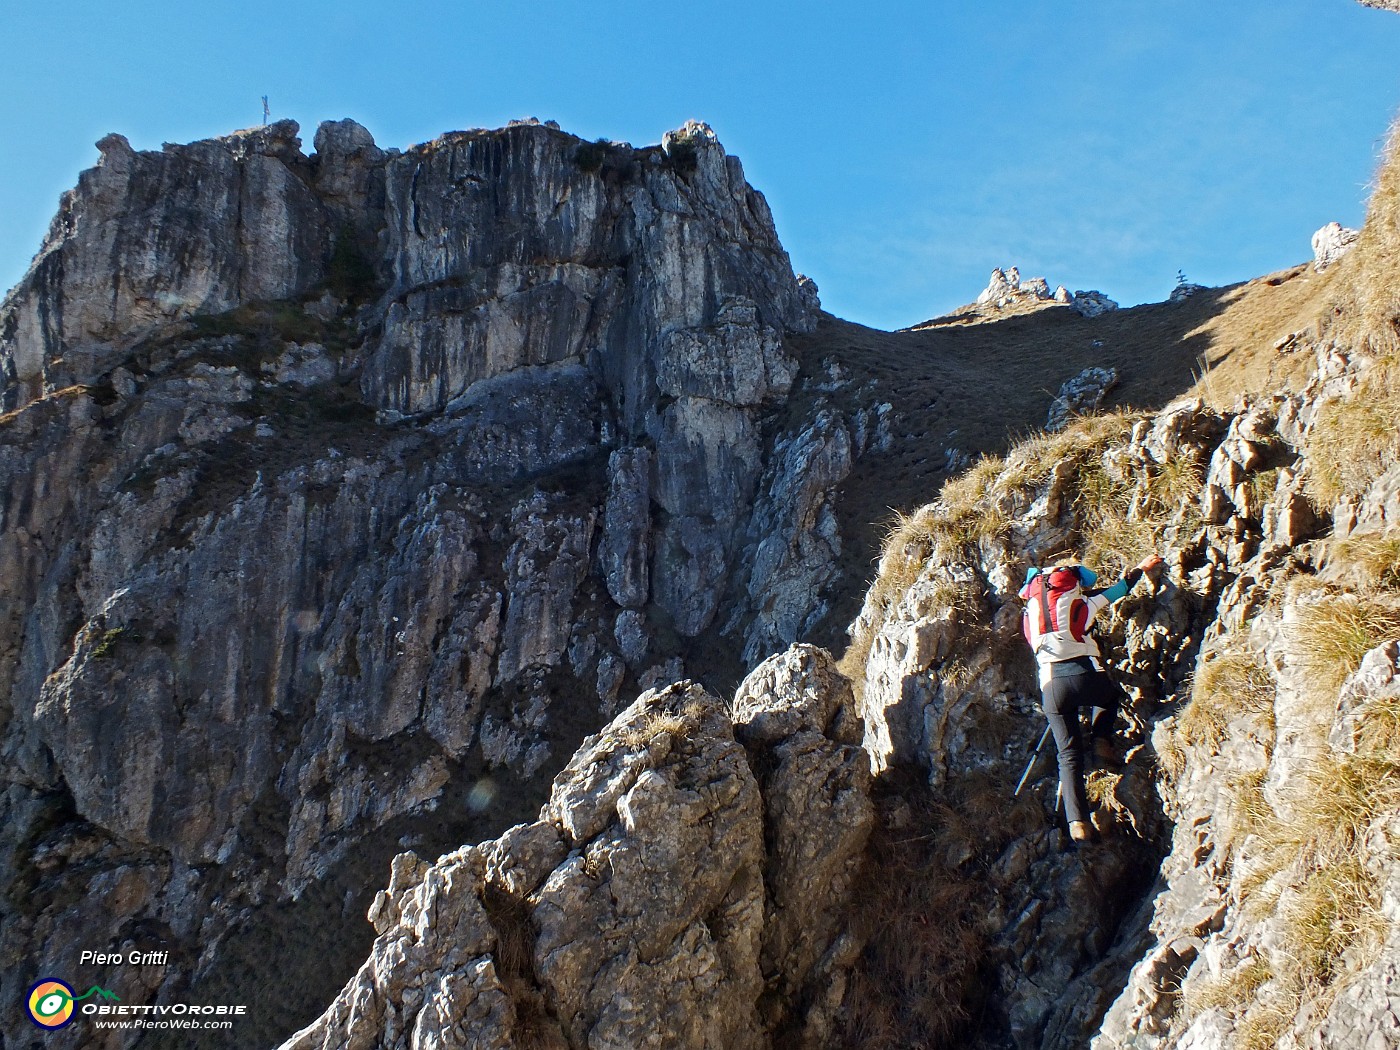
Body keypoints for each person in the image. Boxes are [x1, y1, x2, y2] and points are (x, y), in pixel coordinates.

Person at [1018, 554, 1163, 843]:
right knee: (1110, 698)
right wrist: (1141, 567)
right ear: (1071, 584)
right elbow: (1119, 590)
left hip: (1051, 686)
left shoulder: (1028, 616)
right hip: (1086, 673)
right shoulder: (1083, 603)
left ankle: (1078, 824)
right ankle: (1102, 743)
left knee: (1068, 756)